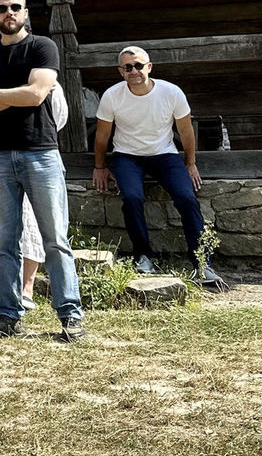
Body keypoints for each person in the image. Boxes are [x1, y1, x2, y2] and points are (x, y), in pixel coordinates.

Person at [0, 0, 85, 341]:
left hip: (41, 152)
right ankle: (8, 314)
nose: (8, 13)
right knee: (4, 242)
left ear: (25, 13)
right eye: (1, 8)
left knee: (55, 239)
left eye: (15, 7)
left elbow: (37, 94)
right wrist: (10, 96)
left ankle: (70, 315)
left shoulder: (42, 47)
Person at [93, 46, 223, 286]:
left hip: (164, 154)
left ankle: (203, 264)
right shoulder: (112, 95)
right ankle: (143, 256)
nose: (134, 71)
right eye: (128, 67)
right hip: (127, 155)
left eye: (139, 65)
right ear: (121, 71)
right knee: (132, 198)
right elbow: (102, 135)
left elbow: (185, 131)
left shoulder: (171, 92)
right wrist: (99, 166)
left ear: (149, 67)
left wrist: (190, 163)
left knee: (186, 198)